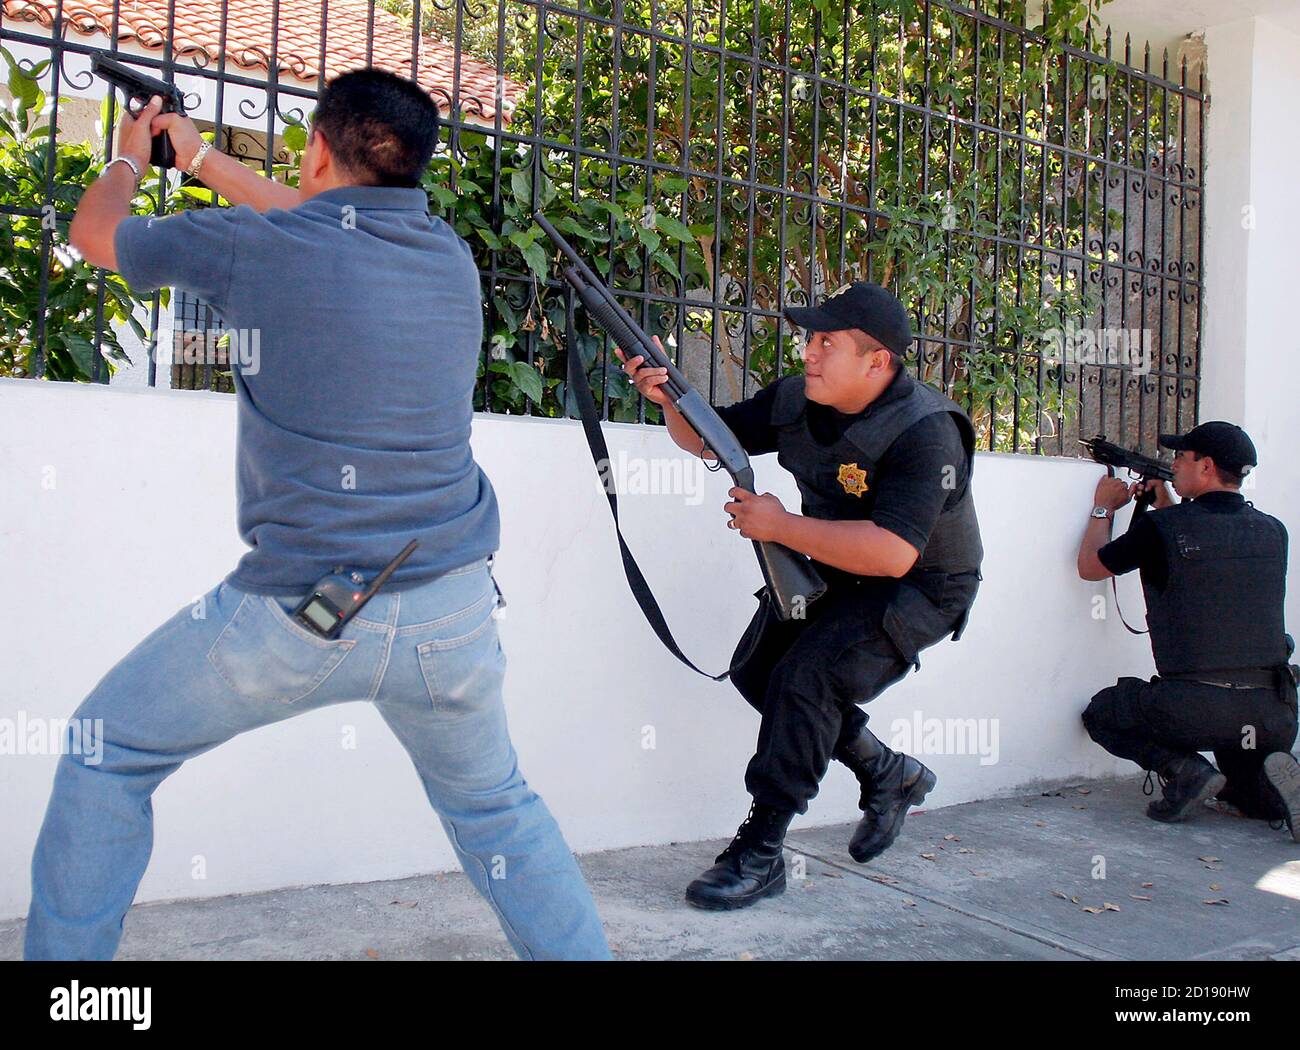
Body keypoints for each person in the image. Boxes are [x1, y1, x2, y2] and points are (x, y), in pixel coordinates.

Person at [25, 68, 609, 960]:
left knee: (106, 754)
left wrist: (130, 158)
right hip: (451, 610)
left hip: (301, 616)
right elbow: (313, 219)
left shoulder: (254, 252)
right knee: (498, 812)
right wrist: (203, 155)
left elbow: (96, 234)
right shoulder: (447, 257)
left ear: (318, 149)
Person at [617, 282, 984, 910]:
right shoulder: (798, 398)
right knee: (759, 671)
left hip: (919, 586)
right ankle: (886, 773)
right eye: (810, 339)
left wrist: (780, 526)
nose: (810, 353)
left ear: (877, 360)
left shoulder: (928, 431)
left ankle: (761, 851)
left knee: (809, 679)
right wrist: (667, 399)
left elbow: (895, 551)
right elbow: (710, 438)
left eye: (827, 343)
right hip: (837, 569)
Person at [1076, 422, 1300, 840]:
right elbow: (1209, 554)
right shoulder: (1273, 530)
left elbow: (1091, 567)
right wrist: (1170, 505)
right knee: (1249, 796)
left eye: (1182, 457)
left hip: (1195, 709)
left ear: (1207, 466)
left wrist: (1104, 508)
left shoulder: (1162, 528)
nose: (1174, 464)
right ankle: (1270, 794)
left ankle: (1185, 769)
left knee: (1103, 712)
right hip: (1272, 711)